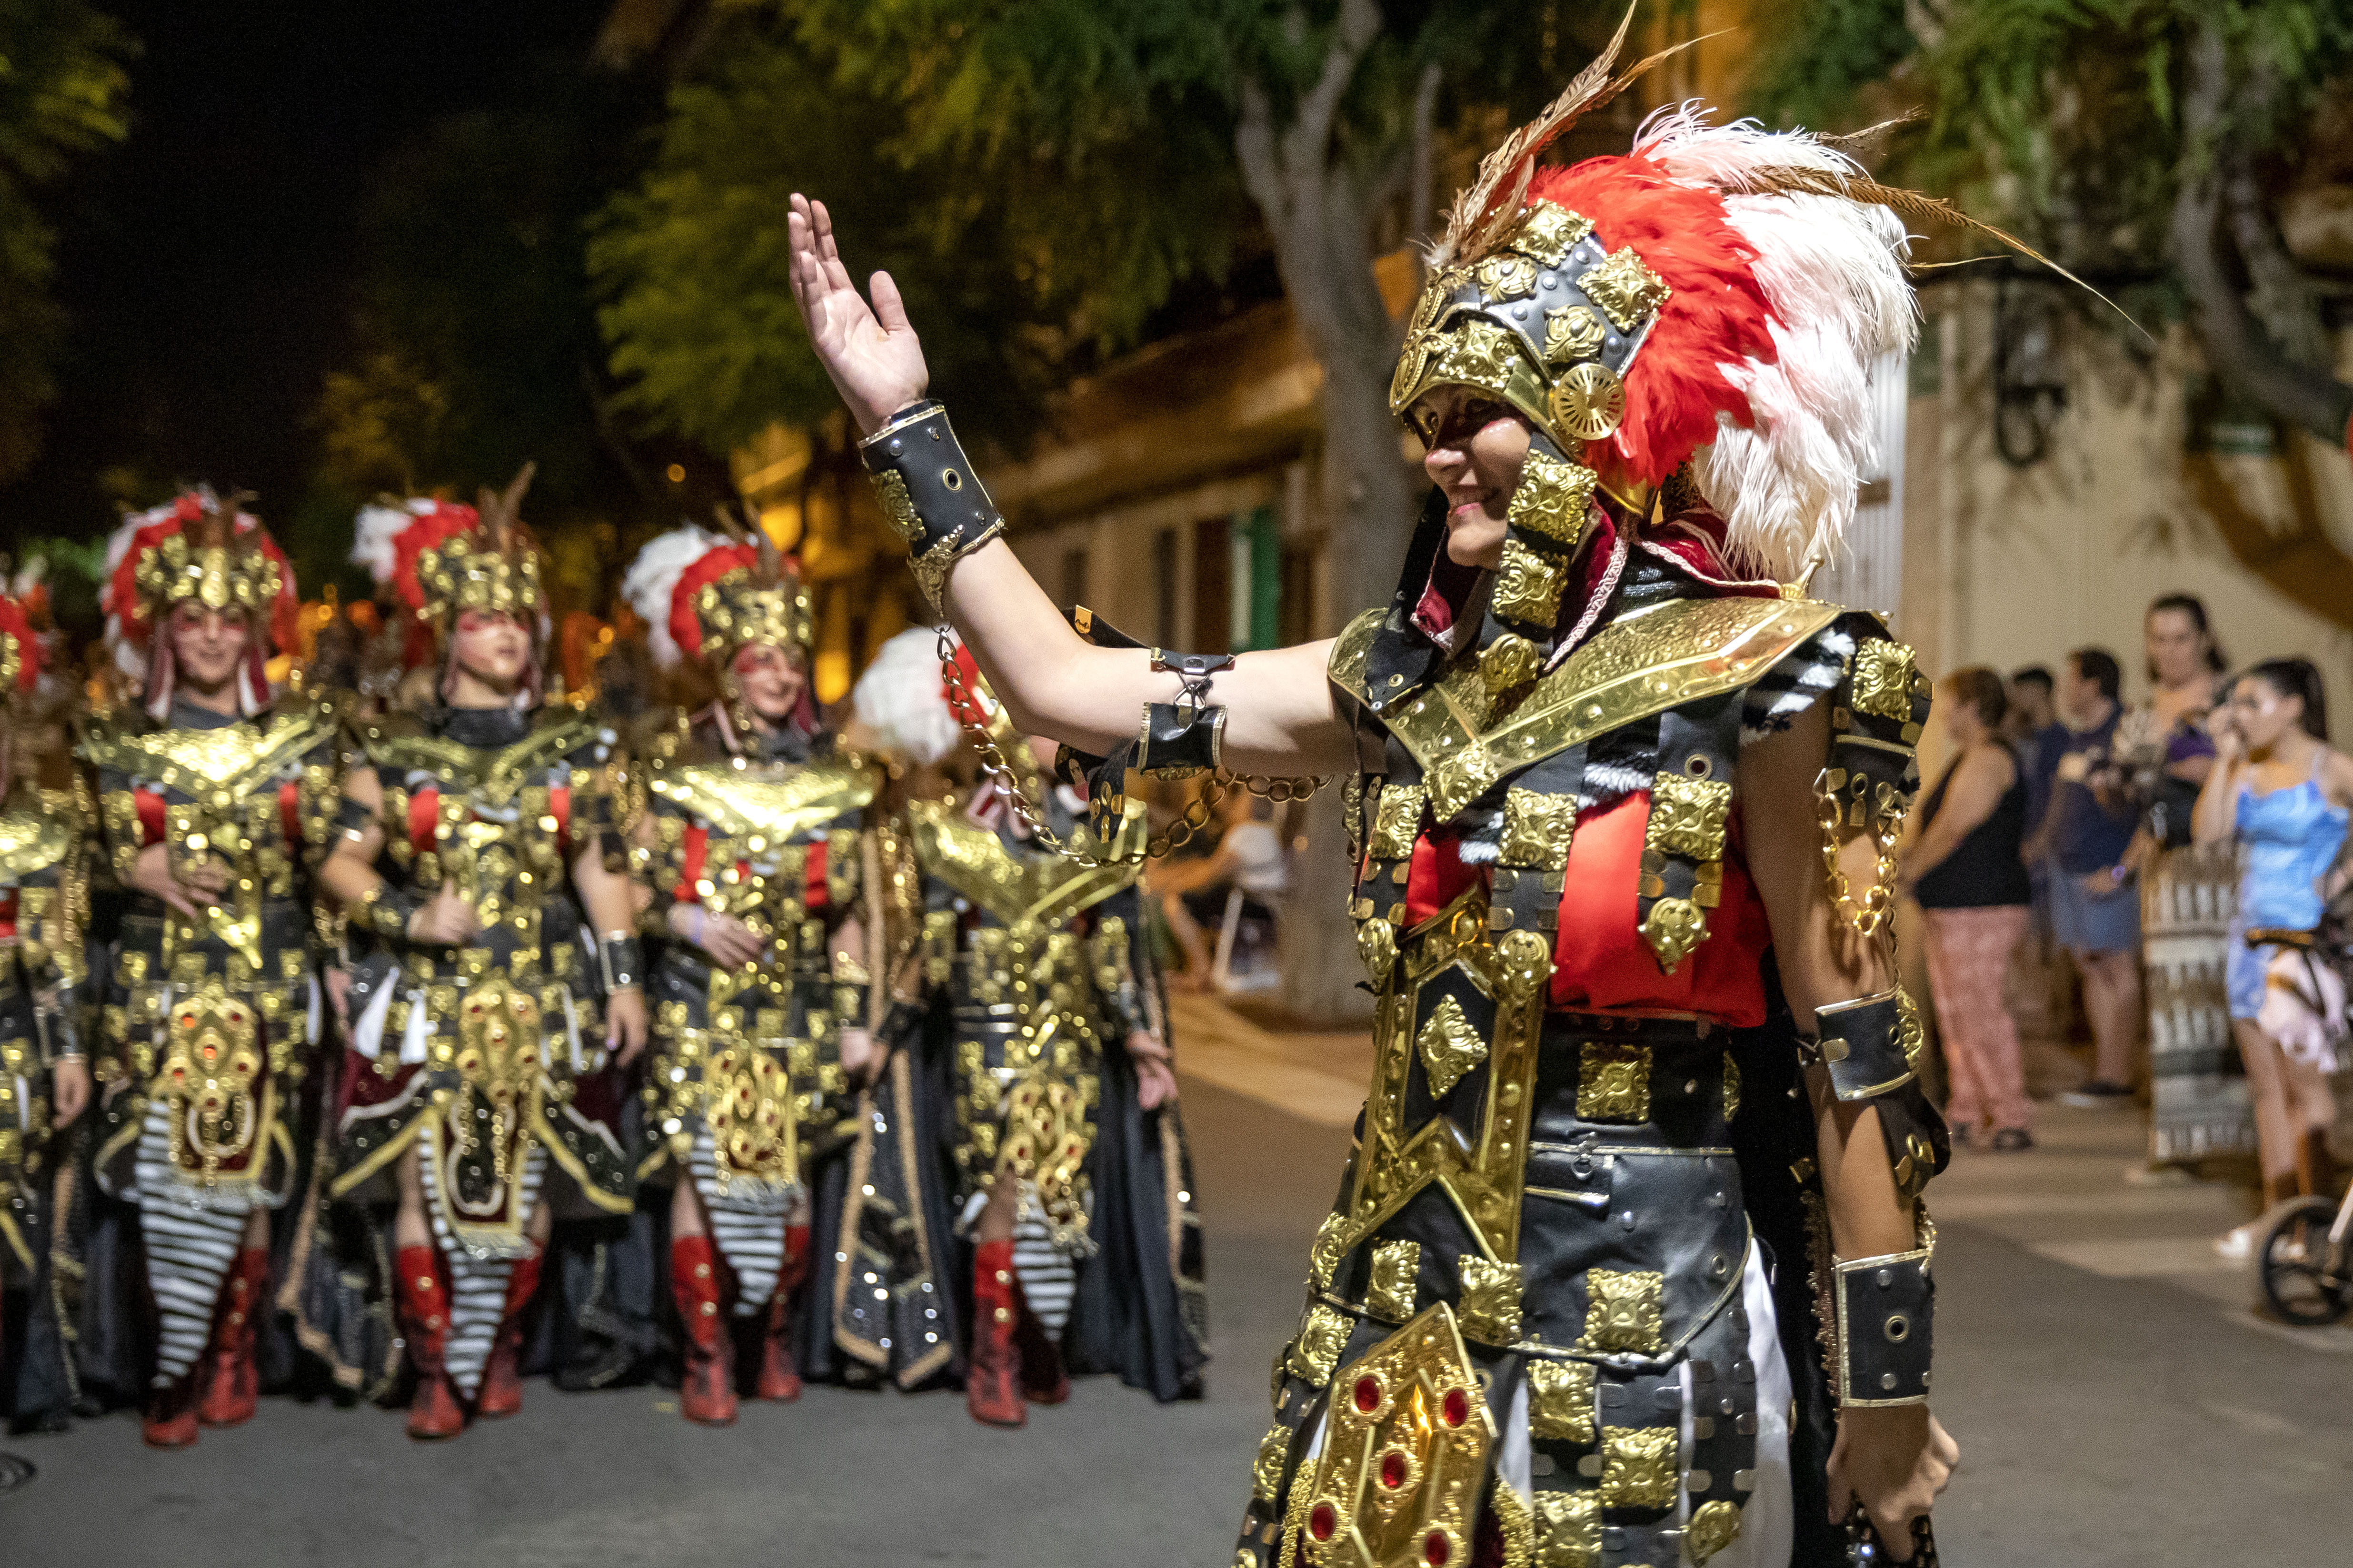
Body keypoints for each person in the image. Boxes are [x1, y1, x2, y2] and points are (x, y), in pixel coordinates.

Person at [790, 78, 1960, 1562]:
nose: (1437, 448)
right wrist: (903, 424)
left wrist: (1887, 1387)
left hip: (1613, 1343)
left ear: (1604, 422)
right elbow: (1070, 682)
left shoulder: (1769, 678)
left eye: (1482, 416)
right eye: (1428, 415)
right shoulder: (1404, 678)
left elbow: (1851, 1051)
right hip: (1392, 1324)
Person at [321, 475, 647, 1439]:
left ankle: (492, 1348)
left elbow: (601, 871)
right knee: (430, 1173)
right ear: (448, 630)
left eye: (520, 618)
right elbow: (339, 861)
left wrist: (624, 982)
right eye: (486, 619)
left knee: (528, 1172)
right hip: (434, 992)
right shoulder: (392, 750)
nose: (508, 633)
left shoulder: (577, 746)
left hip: (545, 989)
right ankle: (436, 1364)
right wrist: (409, 917)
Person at [855, 630, 1196, 1427]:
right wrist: (882, 1035)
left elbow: (1116, 955)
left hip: (1072, 1050)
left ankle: (1039, 1339)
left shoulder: (1105, 832)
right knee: (999, 1194)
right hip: (987, 1047)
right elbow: (927, 955)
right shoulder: (953, 836)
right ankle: (993, 1353)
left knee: (1060, 1195)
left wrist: (1142, 1036)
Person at [80, 490, 346, 1447]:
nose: (209, 638)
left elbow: (335, 868)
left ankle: (230, 1350)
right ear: (163, 627)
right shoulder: (115, 745)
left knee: (251, 1169)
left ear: (254, 628)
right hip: (155, 989)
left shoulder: (302, 740)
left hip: (269, 985)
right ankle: (171, 1360)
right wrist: (127, 867)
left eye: (228, 620)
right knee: (165, 1175)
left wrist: (343, 969)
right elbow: (57, 866)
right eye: (191, 621)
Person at [617, 518, 877, 1425]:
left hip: (797, 1003)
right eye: (762, 659)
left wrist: (854, 1015)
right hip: (696, 1003)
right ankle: (705, 1352)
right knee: (700, 1169)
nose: (781, 674)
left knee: (787, 1171)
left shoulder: (835, 774)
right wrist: (686, 917)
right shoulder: (667, 763)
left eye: (790, 659)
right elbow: (623, 887)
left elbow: (846, 911)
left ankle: (767, 1335)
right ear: (727, 662)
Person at [2193, 659, 2353, 1258]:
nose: (2239, 714)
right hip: (2247, 942)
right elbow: (2207, 834)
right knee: (2266, 1090)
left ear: (2290, 706)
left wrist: (2337, 878)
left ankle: (2317, 1220)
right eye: (2234, 703)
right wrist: (2224, 757)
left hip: (2304, 946)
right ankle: (2278, 1220)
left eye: (2252, 702)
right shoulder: (2244, 768)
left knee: (2306, 1089)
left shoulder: (2329, 767)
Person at [0, 594, 92, 1437]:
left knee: (20, 1211)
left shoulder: (36, 837)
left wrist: (66, 1050)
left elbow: (55, 959)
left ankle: (28, 1383)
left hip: (10, 1046)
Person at [2120, 595, 2248, 1169]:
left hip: (2224, 869)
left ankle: (2243, 1140)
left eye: (2180, 638)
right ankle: (2181, 1143)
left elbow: (2247, 769)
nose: (2169, 650)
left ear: (2204, 639)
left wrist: (2171, 761)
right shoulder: (2146, 710)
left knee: (2230, 1001)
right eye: (2158, 638)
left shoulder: (2235, 698)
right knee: (2175, 1008)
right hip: (2167, 873)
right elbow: (2141, 800)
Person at [1901, 669, 2034, 1149]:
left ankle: (2010, 1113)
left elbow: (1955, 826)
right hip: (1956, 906)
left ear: (1973, 705)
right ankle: (1968, 1109)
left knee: (1981, 1009)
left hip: (1984, 906)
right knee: (1955, 1013)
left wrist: (1909, 871)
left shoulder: (1988, 758)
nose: (1942, 711)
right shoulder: (1968, 757)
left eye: (1949, 701)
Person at [2034, 648, 2144, 1106]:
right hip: (2071, 872)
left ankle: (2119, 1076)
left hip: (2107, 873)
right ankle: (2105, 1073)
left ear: (2094, 684)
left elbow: (2142, 811)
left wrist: (2122, 870)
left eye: (2071, 679)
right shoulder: (2080, 738)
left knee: (2117, 967)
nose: (2064, 689)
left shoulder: (2127, 734)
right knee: (2092, 965)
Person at [1150, 787, 1286, 990]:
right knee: (1192, 897)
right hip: (1266, 905)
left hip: (1251, 905)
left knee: (1176, 902)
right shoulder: (1265, 832)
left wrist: (1172, 885)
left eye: (1239, 799)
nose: (1233, 805)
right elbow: (1207, 867)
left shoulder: (1244, 832)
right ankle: (1200, 968)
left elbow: (1212, 873)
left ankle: (1201, 970)